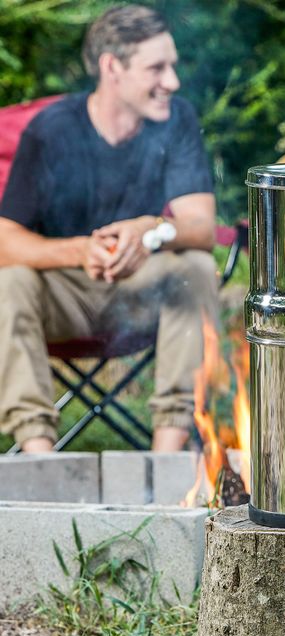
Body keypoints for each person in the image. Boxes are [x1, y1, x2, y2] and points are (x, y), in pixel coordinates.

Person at [0, 5, 219, 453]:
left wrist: (151, 229)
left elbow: (201, 228)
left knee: (195, 267)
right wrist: (80, 251)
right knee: (9, 282)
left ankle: (168, 459)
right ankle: (40, 460)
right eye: (156, 68)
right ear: (111, 67)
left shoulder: (176, 119)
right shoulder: (53, 129)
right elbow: (6, 239)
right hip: (63, 297)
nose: (172, 81)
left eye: (173, 65)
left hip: (140, 290)